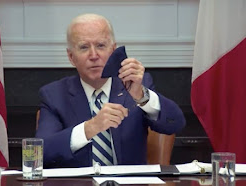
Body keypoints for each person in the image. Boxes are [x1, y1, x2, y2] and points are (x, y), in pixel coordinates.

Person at [35, 13, 186, 168]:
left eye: (101, 45)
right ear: (71, 57)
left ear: (113, 50)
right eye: (84, 47)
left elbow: (175, 123)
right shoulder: (54, 95)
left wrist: (141, 96)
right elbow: (40, 152)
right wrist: (90, 127)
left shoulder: (136, 85)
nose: (94, 55)